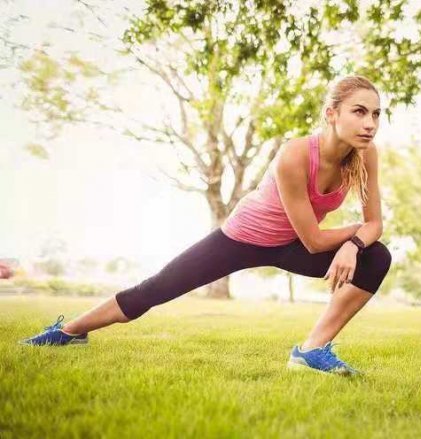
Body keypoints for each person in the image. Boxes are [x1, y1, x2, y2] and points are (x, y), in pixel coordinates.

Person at [19, 75, 392, 377]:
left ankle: (310, 352)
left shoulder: (365, 154)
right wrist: (353, 234)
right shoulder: (295, 154)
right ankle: (68, 332)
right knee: (154, 290)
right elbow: (315, 241)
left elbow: (375, 224)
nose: (370, 123)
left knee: (377, 257)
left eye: (376, 114)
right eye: (360, 112)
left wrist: (355, 244)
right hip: (242, 238)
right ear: (331, 113)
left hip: (290, 244)